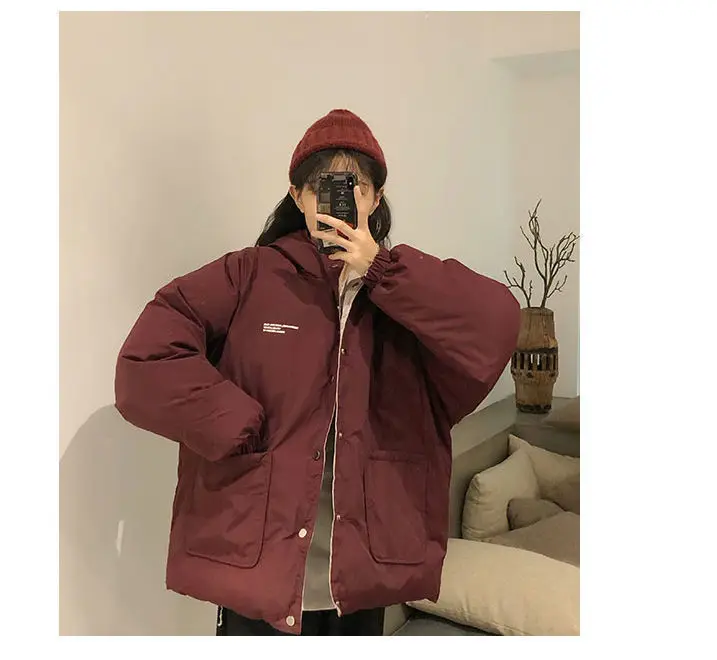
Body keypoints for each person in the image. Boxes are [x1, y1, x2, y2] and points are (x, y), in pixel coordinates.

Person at [114, 109, 521, 636]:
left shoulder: (404, 293)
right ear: (298, 196)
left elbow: (496, 323)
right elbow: (146, 361)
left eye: (356, 187)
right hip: (256, 563)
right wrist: (235, 424)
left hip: (364, 566)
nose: (340, 200)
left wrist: (378, 268)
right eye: (323, 187)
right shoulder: (250, 275)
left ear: (375, 199)